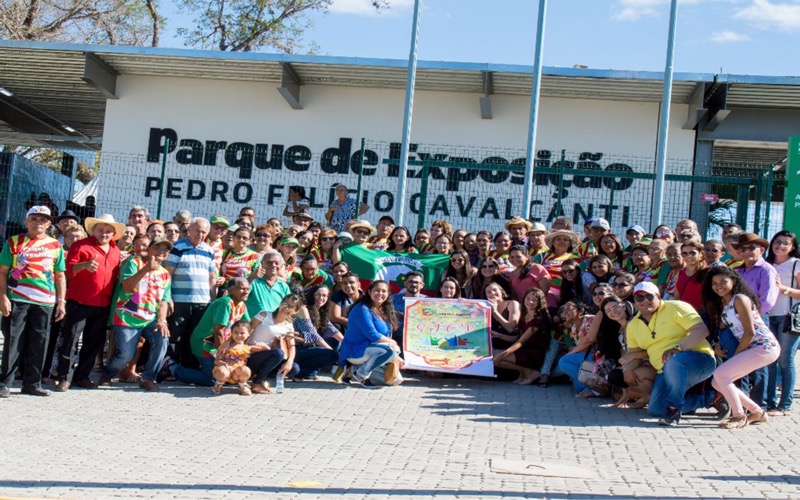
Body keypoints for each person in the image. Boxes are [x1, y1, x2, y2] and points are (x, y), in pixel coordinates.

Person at [625, 282, 716, 426]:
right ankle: (713, 397)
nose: (645, 301)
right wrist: (627, 370)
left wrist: (678, 348)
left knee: (673, 360)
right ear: (634, 301)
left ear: (658, 296)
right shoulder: (632, 325)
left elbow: (701, 330)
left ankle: (674, 410)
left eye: (649, 296)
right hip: (664, 370)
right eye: (639, 298)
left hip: (699, 359)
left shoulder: (675, 307)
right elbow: (633, 354)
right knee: (656, 409)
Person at [0, 206, 66, 398]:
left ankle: (32, 384)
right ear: (26, 221)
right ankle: (5, 383)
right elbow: (2, 272)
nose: (39, 223)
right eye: (34, 218)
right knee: (13, 341)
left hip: (45, 301)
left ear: (49, 224)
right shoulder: (13, 242)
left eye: (43, 220)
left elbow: (60, 275)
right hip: (17, 298)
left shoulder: (56, 246)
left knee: (40, 343)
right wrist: (3, 297)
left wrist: (61, 302)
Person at [53, 214, 124, 391]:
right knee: (70, 341)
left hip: (103, 304)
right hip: (80, 302)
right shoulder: (80, 245)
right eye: (101, 230)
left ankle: (82, 376)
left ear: (113, 233)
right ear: (93, 230)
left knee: (93, 342)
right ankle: (64, 377)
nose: (105, 233)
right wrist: (83, 265)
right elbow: (68, 268)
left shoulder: (115, 250)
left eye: (108, 231)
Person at [703, 266, 780, 428]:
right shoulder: (725, 304)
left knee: (721, 375)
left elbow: (749, 332)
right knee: (717, 382)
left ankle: (738, 416)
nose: (719, 286)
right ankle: (757, 412)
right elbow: (724, 329)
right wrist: (716, 346)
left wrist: (736, 356)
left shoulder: (740, 299)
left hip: (764, 346)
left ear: (734, 281)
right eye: (714, 283)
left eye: (724, 281)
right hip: (754, 348)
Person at [100, 237, 173, 392]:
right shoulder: (133, 263)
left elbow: (163, 301)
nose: (162, 251)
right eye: (158, 247)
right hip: (126, 317)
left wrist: (162, 320)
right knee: (126, 354)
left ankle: (148, 378)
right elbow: (126, 287)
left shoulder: (165, 274)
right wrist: (146, 269)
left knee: (163, 338)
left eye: (165, 250)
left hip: (149, 319)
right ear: (149, 249)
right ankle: (107, 374)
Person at [170, 278, 252, 387]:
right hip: (204, 344)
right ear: (230, 290)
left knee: (226, 377)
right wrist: (222, 355)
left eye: (247, 289)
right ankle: (172, 368)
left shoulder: (241, 304)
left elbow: (248, 326)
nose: (246, 291)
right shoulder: (225, 303)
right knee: (214, 380)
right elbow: (219, 331)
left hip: (218, 344)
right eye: (242, 289)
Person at [163, 218, 217, 368]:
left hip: (203, 302)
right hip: (180, 301)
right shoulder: (177, 247)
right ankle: (170, 367)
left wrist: (213, 302)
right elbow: (168, 274)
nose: (200, 234)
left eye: (204, 232)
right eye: (197, 231)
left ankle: (189, 368)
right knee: (175, 336)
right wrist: (168, 298)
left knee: (194, 337)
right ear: (189, 230)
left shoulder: (209, 250)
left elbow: (212, 277)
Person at [733, 232, 779, 409]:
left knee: (758, 362)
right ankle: (742, 402)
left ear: (761, 249)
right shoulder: (737, 271)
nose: (747, 252)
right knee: (741, 360)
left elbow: (767, 300)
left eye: (751, 248)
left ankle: (759, 403)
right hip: (736, 321)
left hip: (757, 320)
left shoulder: (766, 270)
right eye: (743, 249)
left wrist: (750, 318)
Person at [764, 230, 800, 415]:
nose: (780, 246)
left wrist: (784, 288)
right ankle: (768, 402)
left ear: (793, 247)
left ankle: (784, 405)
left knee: (785, 361)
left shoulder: (796, 264)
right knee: (769, 359)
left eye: (786, 243)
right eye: (778, 241)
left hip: (788, 318)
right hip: (767, 316)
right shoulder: (766, 264)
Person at [339, 281, 400, 387]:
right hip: (356, 350)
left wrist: (396, 356)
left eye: (383, 291)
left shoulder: (384, 309)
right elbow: (372, 335)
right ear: (369, 292)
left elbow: (387, 335)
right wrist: (393, 343)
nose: (380, 293)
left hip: (374, 350)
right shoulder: (362, 309)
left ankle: (352, 370)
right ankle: (361, 374)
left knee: (395, 380)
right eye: (376, 290)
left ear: (388, 294)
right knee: (392, 349)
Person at [602, 297, 656, 408]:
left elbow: (652, 349)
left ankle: (650, 398)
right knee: (615, 376)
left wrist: (634, 356)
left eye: (615, 307)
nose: (612, 311)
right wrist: (624, 396)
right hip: (635, 365)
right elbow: (625, 357)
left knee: (631, 374)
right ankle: (646, 396)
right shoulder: (620, 330)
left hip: (651, 362)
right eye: (608, 311)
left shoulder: (637, 323)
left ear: (623, 305)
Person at [493, 288, 551, 385]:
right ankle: (523, 373)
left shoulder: (538, 319)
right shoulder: (524, 316)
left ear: (540, 302)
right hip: (523, 350)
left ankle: (530, 372)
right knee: (493, 355)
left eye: (534, 300)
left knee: (496, 357)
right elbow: (516, 338)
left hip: (533, 354)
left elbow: (521, 341)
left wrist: (502, 354)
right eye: (528, 298)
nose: (530, 302)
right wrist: (499, 335)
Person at [212, 320, 270, 396]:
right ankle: (219, 384)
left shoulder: (247, 347)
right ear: (231, 333)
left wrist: (264, 345)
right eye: (236, 332)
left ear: (249, 334)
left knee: (246, 370)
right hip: (225, 371)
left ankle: (242, 384)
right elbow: (216, 361)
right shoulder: (225, 347)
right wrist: (225, 364)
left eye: (242, 333)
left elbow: (267, 350)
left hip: (237, 373)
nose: (239, 335)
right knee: (222, 371)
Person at [555, 300, 597, 397]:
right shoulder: (574, 328)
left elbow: (589, 341)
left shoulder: (589, 319)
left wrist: (572, 353)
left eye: (568, 309)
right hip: (585, 355)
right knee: (578, 388)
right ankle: (589, 386)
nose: (565, 312)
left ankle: (591, 387)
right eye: (564, 309)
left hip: (596, 356)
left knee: (563, 361)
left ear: (580, 311)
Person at [541, 230, 581, 309]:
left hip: (566, 296)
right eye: (558, 239)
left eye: (565, 240)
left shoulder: (576, 259)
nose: (561, 241)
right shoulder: (542, 257)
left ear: (569, 244)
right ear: (553, 242)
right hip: (544, 295)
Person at [245, 250, 291, 318]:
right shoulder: (252, 280)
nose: (273, 265)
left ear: (281, 266)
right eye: (269, 262)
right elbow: (238, 293)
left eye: (277, 263)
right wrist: (251, 277)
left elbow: (288, 306)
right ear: (262, 264)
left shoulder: (283, 286)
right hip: (254, 325)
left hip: (274, 326)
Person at [673, 241, 708, 311]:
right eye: (684, 254)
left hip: (702, 314)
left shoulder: (708, 272)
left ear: (701, 254)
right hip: (684, 313)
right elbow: (676, 298)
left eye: (692, 253)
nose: (688, 256)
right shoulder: (680, 273)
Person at [485, 282, 520, 352]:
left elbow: (511, 328)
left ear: (501, 291)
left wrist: (495, 312)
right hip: (490, 346)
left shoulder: (512, 304)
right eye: (488, 292)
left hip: (508, 346)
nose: (492, 293)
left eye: (495, 290)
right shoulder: (485, 307)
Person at [391, 271, 424, 343]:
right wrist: (393, 314)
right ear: (405, 283)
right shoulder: (393, 299)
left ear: (422, 285)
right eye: (411, 282)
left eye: (417, 282)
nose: (414, 284)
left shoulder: (428, 302)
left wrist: (405, 316)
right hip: (395, 338)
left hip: (419, 340)